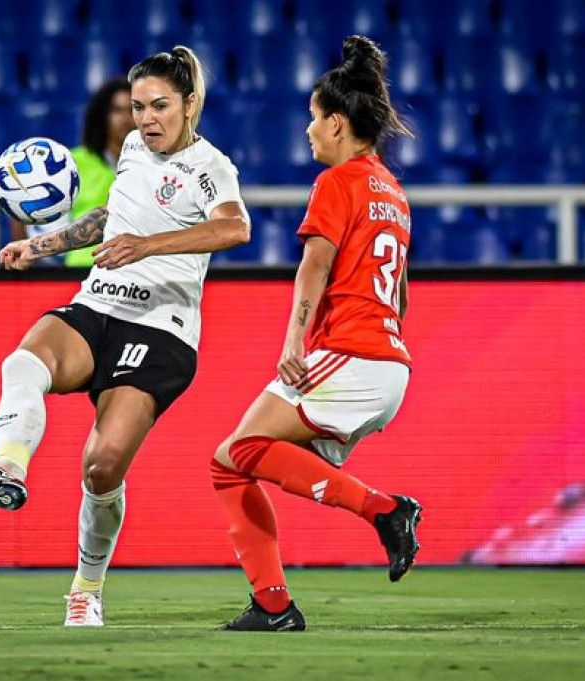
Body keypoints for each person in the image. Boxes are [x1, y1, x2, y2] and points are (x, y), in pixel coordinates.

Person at [0, 46, 250, 627]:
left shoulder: (212, 168)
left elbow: (236, 226)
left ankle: (86, 588)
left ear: (190, 104)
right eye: (137, 107)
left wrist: (147, 247)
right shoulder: (132, 148)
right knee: (25, 362)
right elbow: (111, 217)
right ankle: (7, 469)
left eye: (159, 106)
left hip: (161, 329)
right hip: (99, 303)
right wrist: (42, 243)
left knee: (102, 467)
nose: (145, 119)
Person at [210, 35, 421, 632]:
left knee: (243, 451)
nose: (307, 130)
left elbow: (314, 267)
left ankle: (385, 510)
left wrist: (293, 346)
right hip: (388, 360)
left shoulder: (340, 181)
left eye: (312, 117)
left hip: (349, 352)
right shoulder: (393, 191)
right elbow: (401, 292)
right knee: (230, 463)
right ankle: (272, 607)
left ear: (337, 121)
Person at [10, 78, 135, 267]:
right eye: (116, 111)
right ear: (102, 117)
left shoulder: (155, 166)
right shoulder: (71, 163)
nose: (126, 119)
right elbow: (26, 207)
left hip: (137, 272)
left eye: (132, 110)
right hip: (81, 272)